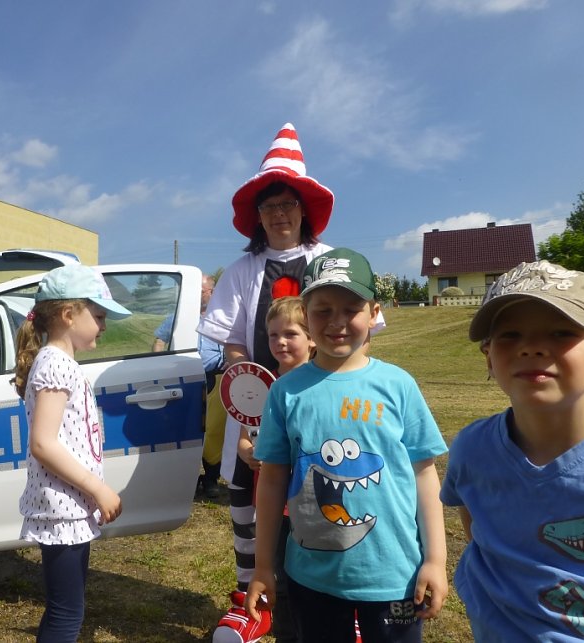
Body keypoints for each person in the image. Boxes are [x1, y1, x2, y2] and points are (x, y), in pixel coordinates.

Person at [245, 248, 448, 643]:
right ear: (305, 314)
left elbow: (424, 477)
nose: (337, 322)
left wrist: (436, 560)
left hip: (395, 575)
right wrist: (264, 565)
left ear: (374, 313)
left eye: (351, 309)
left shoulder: (398, 385)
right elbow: (271, 482)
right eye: (323, 310)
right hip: (310, 578)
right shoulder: (286, 392)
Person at [199, 123, 336, 643]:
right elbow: (233, 346)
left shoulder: (331, 262)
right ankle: (252, 604)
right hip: (254, 420)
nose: (279, 213)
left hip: (322, 412)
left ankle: (310, 610)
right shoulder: (240, 271)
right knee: (250, 511)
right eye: (269, 205)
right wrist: (254, 413)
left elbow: (358, 339)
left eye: (288, 203)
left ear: (304, 209)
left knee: (318, 509)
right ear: (257, 215)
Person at [440, 260, 584, 641]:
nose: (532, 347)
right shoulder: (472, 447)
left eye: (561, 332)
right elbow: (474, 522)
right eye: (510, 335)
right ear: (488, 358)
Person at [13, 264, 131, 643]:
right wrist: (97, 488)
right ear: (68, 315)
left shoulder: (59, 362)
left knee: (67, 607)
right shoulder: (55, 365)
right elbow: (43, 443)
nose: (104, 325)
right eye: (98, 316)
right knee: (67, 613)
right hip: (62, 505)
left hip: (69, 503)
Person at [238, 295, 315, 642]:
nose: (280, 342)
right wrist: (248, 454)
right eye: (272, 335)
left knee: (313, 575)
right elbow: (244, 438)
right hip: (274, 504)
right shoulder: (258, 385)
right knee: (280, 579)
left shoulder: (320, 384)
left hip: (312, 504)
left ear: (312, 337)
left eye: (291, 334)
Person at [154, 274, 227, 497]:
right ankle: (189, 478)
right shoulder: (178, 317)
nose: (196, 296)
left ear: (212, 293)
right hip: (184, 380)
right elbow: (159, 340)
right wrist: (160, 367)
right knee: (185, 428)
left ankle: (212, 479)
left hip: (216, 377)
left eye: (201, 291)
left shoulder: (223, 317)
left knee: (214, 431)